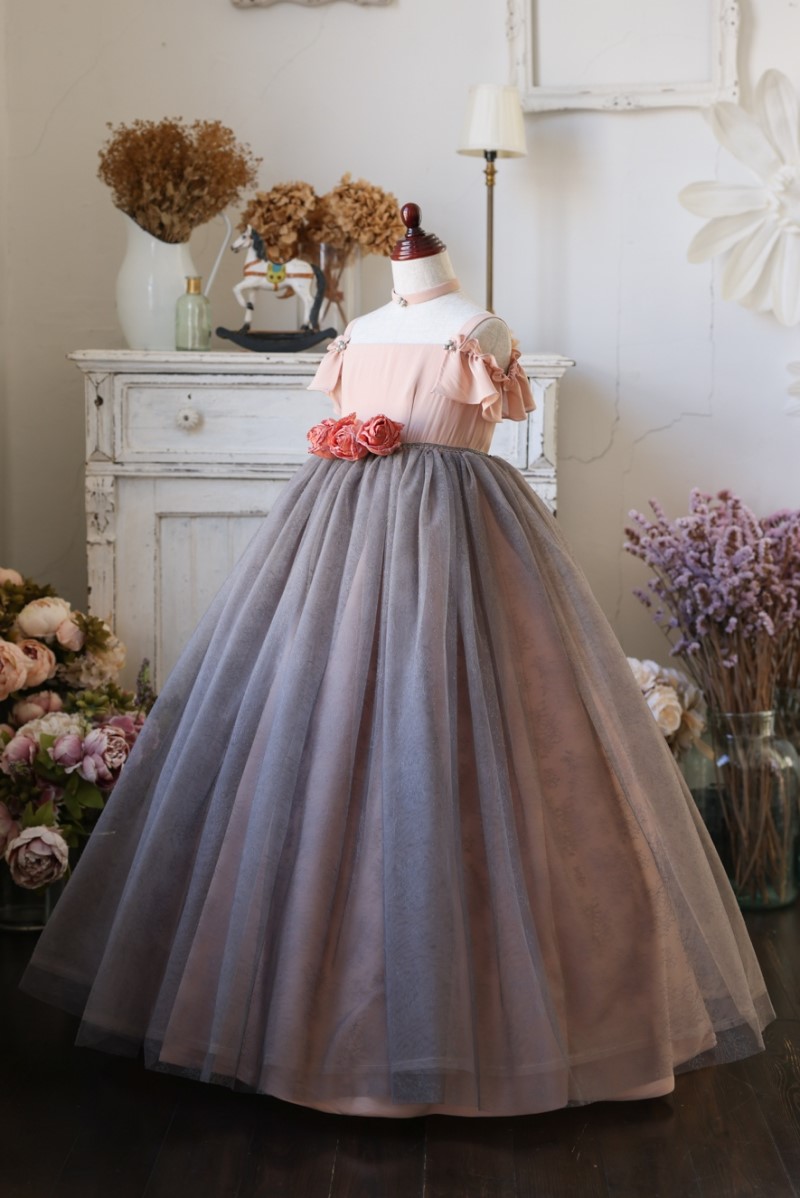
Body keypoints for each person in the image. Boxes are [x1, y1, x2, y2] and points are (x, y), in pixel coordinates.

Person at [21, 204, 773, 1118]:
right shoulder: (361, 331)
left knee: (480, 746)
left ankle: (496, 1026)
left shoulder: (480, 329)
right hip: (338, 546)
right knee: (328, 733)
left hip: (465, 549)